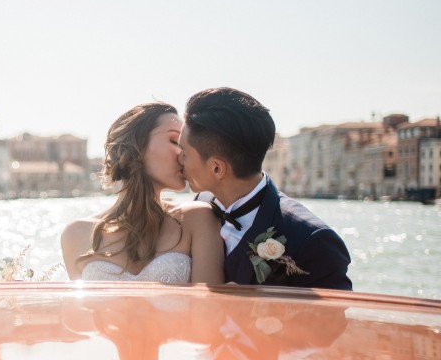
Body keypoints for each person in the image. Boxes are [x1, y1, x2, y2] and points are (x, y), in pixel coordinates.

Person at [179, 87, 352, 290]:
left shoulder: (313, 241)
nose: (178, 159)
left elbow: (330, 320)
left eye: (184, 152)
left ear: (217, 168)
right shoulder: (199, 206)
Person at [61, 102, 224, 283]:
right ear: (136, 144)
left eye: (187, 146)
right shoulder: (75, 234)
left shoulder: (198, 219)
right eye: (174, 141)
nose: (183, 154)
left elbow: (210, 307)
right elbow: (79, 311)